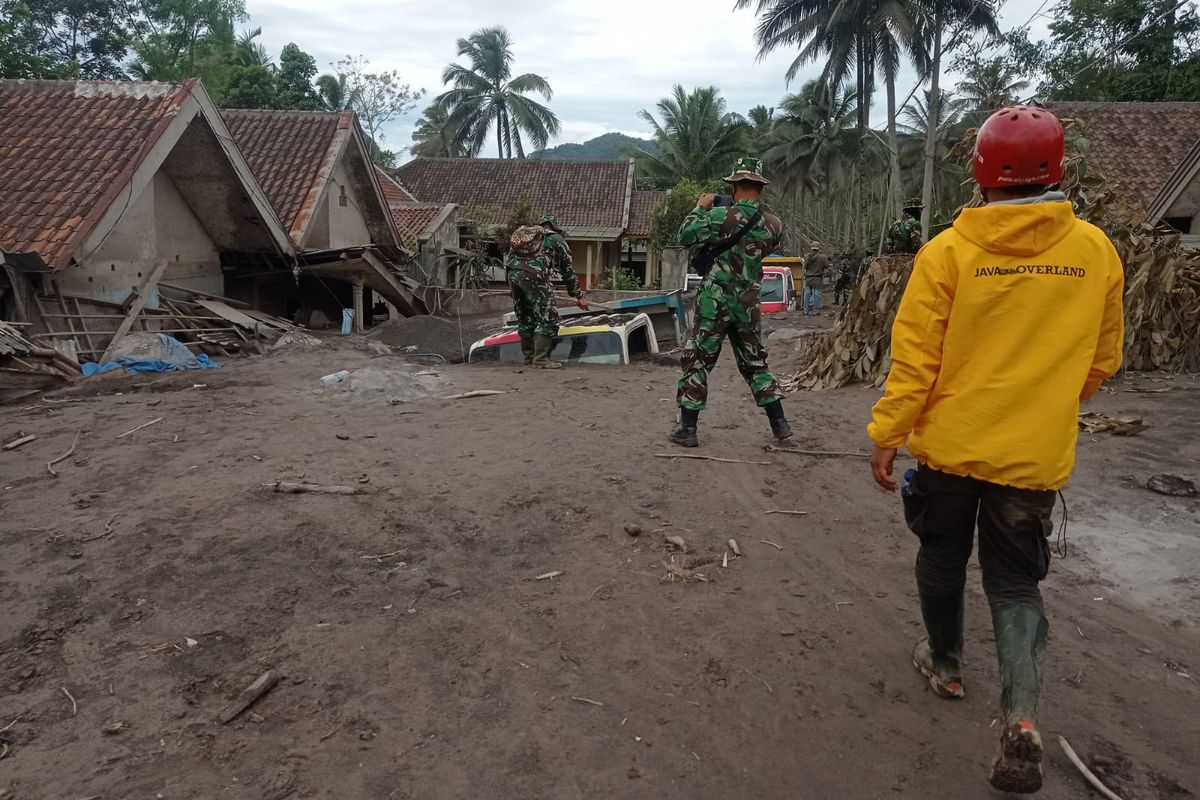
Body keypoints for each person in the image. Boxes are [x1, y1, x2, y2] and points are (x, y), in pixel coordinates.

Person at [867, 107, 1125, 794]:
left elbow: (914, 362)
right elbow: (1103, 360)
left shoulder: (949, 253)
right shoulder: (1096, 251)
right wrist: (1042, 406)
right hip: (1032, 459)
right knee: (1015, 582)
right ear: (1057, 171)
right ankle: (1021, 717)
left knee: (941, 555)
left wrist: (887, 434)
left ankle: (946, 662)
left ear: (981, 173)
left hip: (949, 451)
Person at [671, 157, 793, 447]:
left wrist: (701, 206)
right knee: (755, 364)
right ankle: (780, 424)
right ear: (760, 187)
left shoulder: (719, 217)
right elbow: (761, 249)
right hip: (749, 302)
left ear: (735, 185)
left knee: (697, 361)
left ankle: (688, 430)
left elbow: (685, 234)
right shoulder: (774, 224)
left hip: (715, 301)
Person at [506, 225, 587, 369]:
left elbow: (510, 257)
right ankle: (540, 359)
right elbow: (567, 270)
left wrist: (514, 285)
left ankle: (529, 359)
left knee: (525, 317)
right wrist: (578, 295)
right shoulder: (556, 239)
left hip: (513, 274)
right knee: (549, 317)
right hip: (534, 275)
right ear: (556, 228)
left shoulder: (526, 236)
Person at [801, 240, 828, 314]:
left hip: (808, 277)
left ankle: (805, 310)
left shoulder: (807, 256)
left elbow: (805, 267)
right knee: (817, 294)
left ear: (811, 248)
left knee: (807, 294)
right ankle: (816, 310)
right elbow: (827, 266)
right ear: (819, 248)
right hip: (817, 277)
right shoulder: (823, 257)